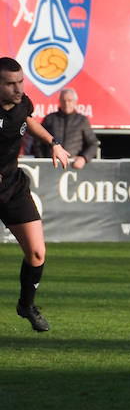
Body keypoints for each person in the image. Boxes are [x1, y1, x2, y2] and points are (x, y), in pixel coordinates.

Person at [0, 57, 71, 332]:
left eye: (20, 82)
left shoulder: (21, 103)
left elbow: (27, 120)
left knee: (37, 253)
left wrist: (53, 142)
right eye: (10, 84)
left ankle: (26, 305)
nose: (18, 89)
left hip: (12, 187)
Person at [33, 87, 99, 169]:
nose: (66, 104)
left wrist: (84, 158)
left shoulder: (82, 120)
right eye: (64, 101)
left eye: (70, 100)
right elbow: (38, 142)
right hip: (51, 166)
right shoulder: (49, 119)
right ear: (59, 101)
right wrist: (43, 161)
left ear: (75, 102)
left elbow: (93, 143)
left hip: (73, 167)